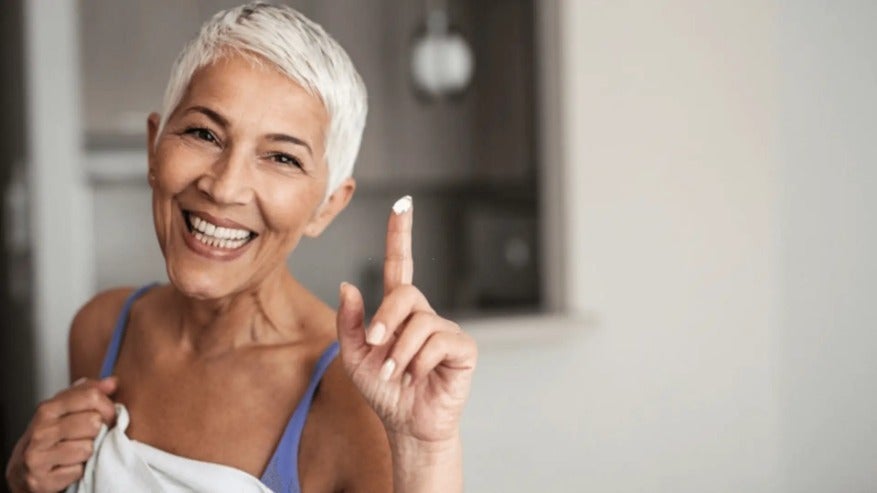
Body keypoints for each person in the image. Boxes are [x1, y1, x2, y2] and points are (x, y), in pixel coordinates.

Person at [4, 3, 477, 492]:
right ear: (153, 148)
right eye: (203, 133)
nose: (225, 187)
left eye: (282, 158)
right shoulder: (101, 330)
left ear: (327, 207)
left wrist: (425, 451)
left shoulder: (351, 397)